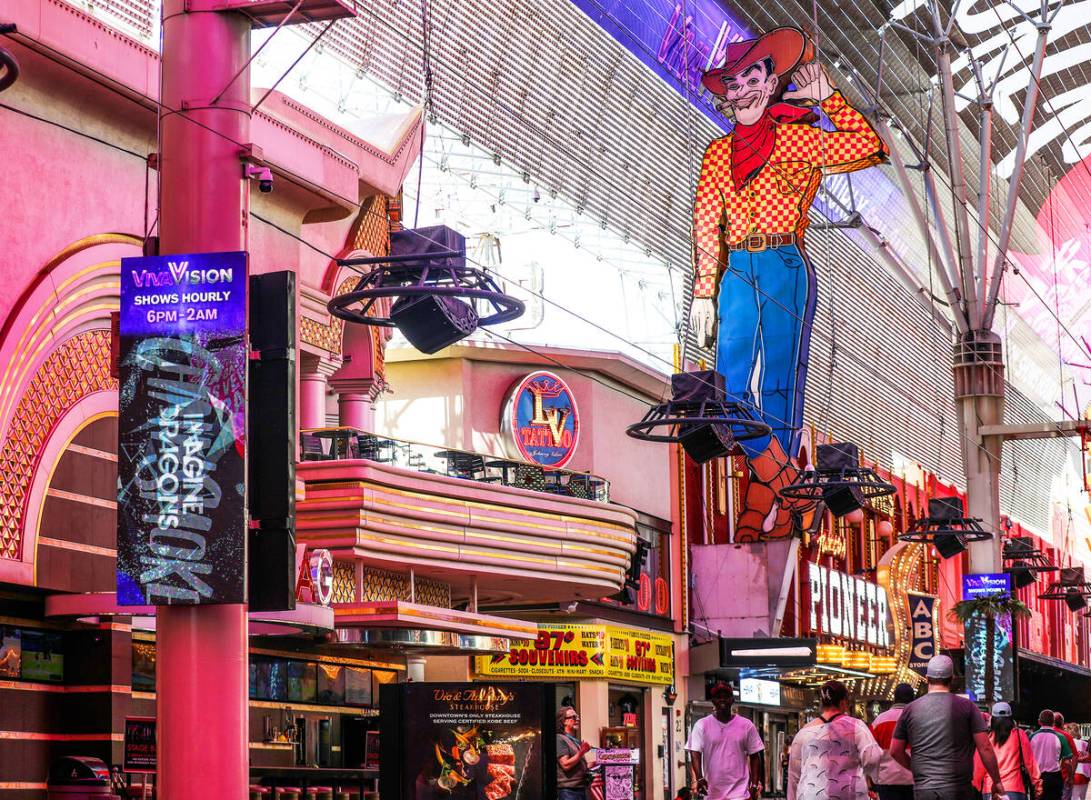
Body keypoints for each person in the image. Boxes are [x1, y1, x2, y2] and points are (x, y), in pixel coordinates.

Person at [690, 26, 888, 541]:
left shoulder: (796, 137)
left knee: (780, 389)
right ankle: (793, 487)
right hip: (736, 270)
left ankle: (760, 511)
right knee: (729, 389)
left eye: (749, 78)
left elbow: (869, 146)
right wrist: (703, 292)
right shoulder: (717, 154)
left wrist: (829, 97)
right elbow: (706, 222)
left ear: (770, 81)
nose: (739, 92)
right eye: (731, 84)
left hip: (784, 263)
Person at [889, 654, 1004, 800]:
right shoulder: (968, 707)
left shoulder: (910, 709)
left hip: (925, 789)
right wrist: (997, 780)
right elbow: (985, 747)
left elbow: (895, 750)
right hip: (958, 789)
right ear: (952, 678)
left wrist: (917, 770)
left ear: (926, 678)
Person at [787, 680, 881, 800]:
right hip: (848, 794)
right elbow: (873, 758)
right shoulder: (856, 726)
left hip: (810, 795)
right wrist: (871, 780)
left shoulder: (804, 732)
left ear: (822, 703)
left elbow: (793, 775)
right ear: (843, 703)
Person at [685, 681, 765, 800]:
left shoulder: (746, 726)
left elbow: (755, 756)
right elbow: (694, 751)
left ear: (732, 699)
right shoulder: (702, 725)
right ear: (713, 700)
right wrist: (699, 778)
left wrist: (754, 784)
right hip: (712, 793)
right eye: (718, 697)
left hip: (739, 794)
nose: (722, 700)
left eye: (726, 697)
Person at [972, 702, 1040, 800]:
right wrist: (1037, 785)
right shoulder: (1019, 735)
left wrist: (975, 787)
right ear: (1011, 718)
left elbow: (978, 768)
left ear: (993, 719)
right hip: (1015, 790)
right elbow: (1030, 763)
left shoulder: (986, 738)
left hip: (991, 791)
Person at [870, 683, 916, 800]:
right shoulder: (918, 718)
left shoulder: (878, 721)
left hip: (887, 781)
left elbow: (871, 755)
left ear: (894, 699)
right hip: (914, 779)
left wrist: (872, 780)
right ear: (913, 699)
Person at [1033, 711, 1073, 800]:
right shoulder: (1061, 737)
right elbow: (1067, 762)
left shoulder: (1032, 736)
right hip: (1054, 778)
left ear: (1039, 722)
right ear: (1053, 722)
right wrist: (1070, 777)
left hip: (1036, 777)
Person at [557, 706, 591, 800]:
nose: (578, 719)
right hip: (569, 791)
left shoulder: (573, 740)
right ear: (564, 721)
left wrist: (593, 764)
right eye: (574, 717)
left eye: (578, 716)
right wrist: (582, 751)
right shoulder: (559, 739)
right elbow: (565, 765)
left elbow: (576, 763)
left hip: (580, 789)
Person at [1056, 714, 1079, 800]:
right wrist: (1071, 776)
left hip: (1045, 776)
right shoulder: (1066, 736)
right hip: (1064, 776)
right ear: (1062, 723)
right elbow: (1075, 757)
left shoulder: (1037, 735)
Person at [1071, 726, 1090, 800]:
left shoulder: (1070, 742)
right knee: (1082, 797)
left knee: (1073, 797)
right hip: (1086, 774)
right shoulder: (1085, 743)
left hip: (1074, 773)